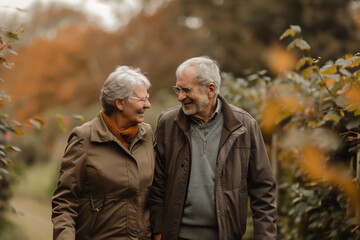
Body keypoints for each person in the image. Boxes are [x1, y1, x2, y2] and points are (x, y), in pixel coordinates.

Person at [150, 56, 277, 240]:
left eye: (186, 90)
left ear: (210, 89)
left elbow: (263, 190)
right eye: (178, 89)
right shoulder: (167, 123)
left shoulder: (244, 126)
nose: (180, 97)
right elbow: (158, 184)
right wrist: (158, 232)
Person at [52, 66, 155, 240]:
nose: (148, 104)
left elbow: (154, 195)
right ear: (120, 103)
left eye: (148, 98)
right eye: (142, 99)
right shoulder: (84, 138)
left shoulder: (147, 134)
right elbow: (64, 203)